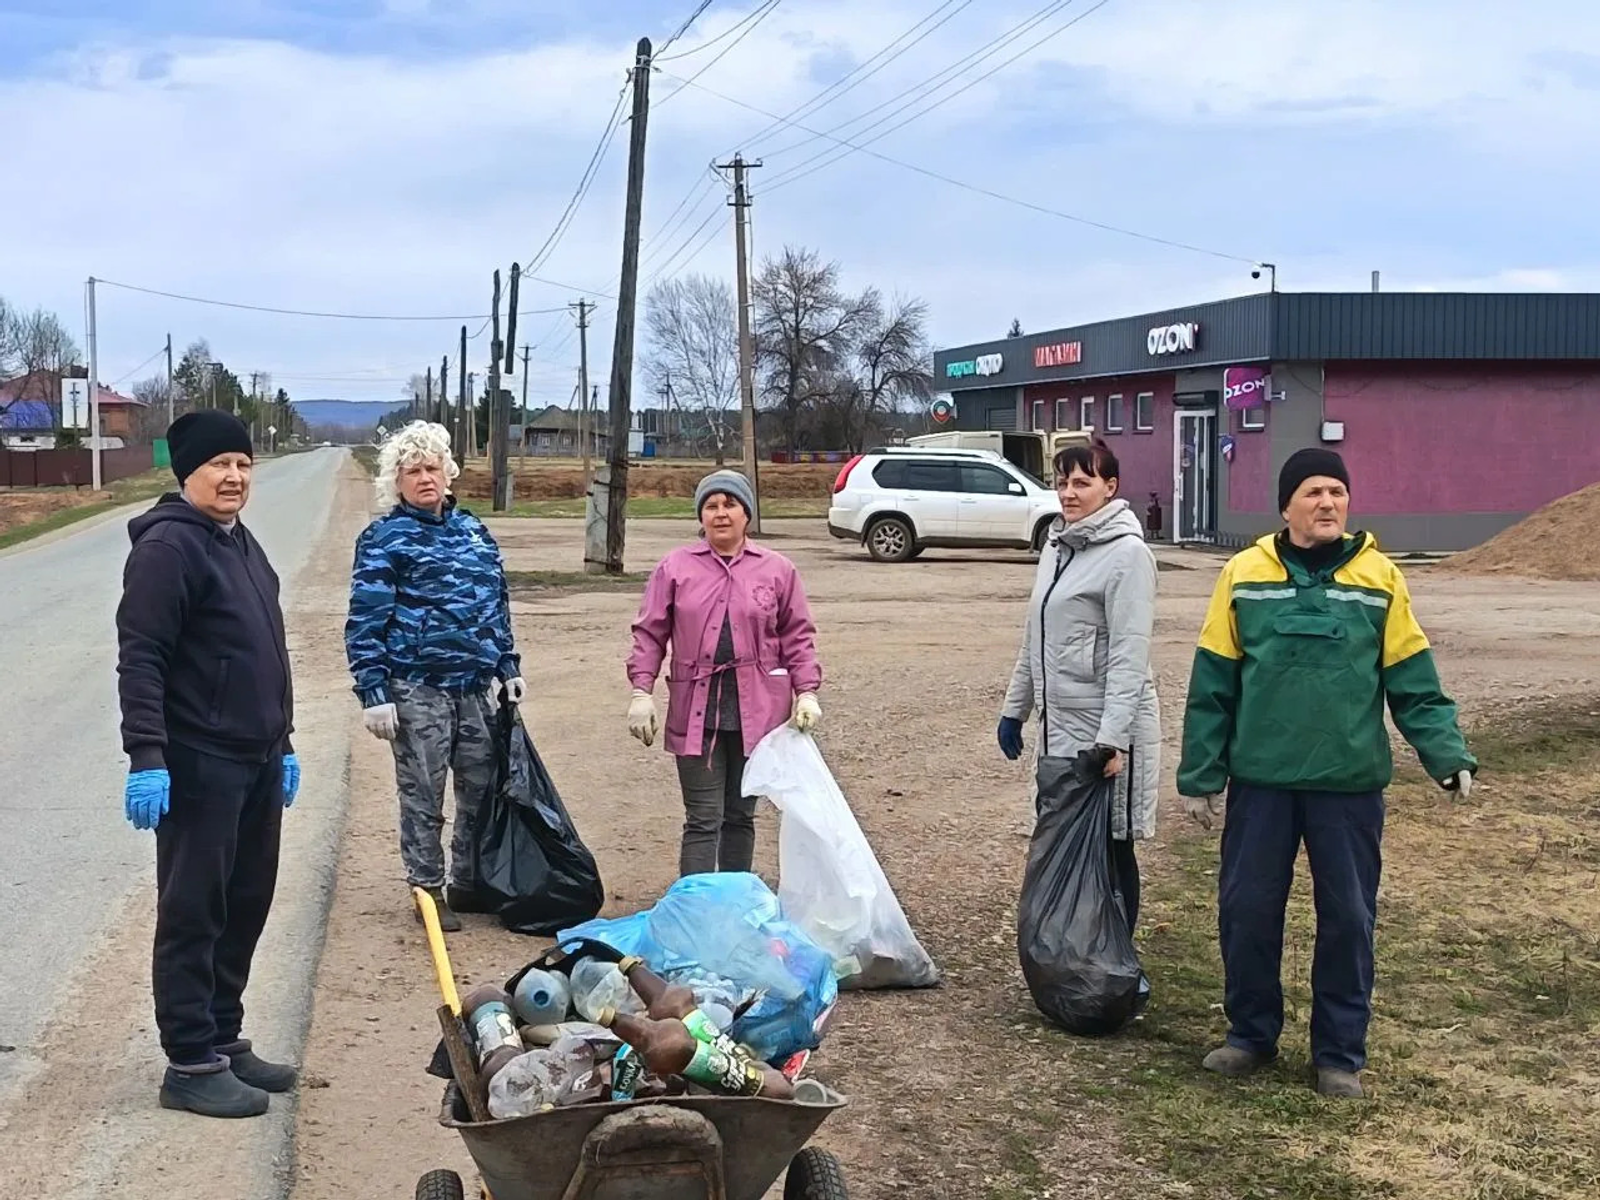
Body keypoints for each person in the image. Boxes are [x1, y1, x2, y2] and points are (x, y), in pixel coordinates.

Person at [1177, 447, 1478, 1099]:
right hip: (1262, 783)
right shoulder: (1243, 574)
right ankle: (1250, 1035)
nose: (1328, 503)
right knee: (1248, 911)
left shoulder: (1379, 578)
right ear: (1286, 506)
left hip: (1348, 786)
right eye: (1313, 492)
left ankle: (1339, 1054)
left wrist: (1446, 754)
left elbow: (1413, 681)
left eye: (1337, 492)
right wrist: (1201, 773)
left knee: (1348, 917)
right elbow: (1213, 684)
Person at [116, 410, 299, 1119]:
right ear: (186, 471)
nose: (234, 477)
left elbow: (267, 650)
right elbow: (142, 657)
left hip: (256, 759)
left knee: (245, 903)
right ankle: (190, 1061)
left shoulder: (240, 541)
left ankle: (223, 1035)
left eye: (243, 464)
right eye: (219, 464)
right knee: (195, 909)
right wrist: (147, 754)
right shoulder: (168, 548)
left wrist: (284, 741)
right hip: (200, 762)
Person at [344, 421, 525, 933]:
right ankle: (427, 889)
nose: (425, 478)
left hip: (473, 688)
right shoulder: (384, 540)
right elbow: (365, 620)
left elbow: (495, 603)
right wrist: (373, 691)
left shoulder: (474, 533)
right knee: (423, 794)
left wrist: (507, 664)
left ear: (448, 472)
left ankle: (468, 881)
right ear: (396, 481)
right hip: (416, 686)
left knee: (480, 789)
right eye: (413, 471)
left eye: (433, 467)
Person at [997, 441, 1160, 931]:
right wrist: (1016, 709)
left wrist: (1112, 741)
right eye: (1062, 482)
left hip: (1104, 733)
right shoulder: (1056, 548)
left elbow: (1130, 655)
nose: (1068, 493)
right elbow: (1036, 634)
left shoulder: (1128, 555)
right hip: (1060, 728)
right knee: (1063, 843)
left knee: (1110, 848)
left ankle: (1115, 958)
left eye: (1082, 483)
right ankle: (1072, 953)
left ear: (1110, 488)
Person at [626, 470, 822, 876]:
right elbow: (650, 633)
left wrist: (806, 692)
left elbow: (797, 635)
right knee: (703, 819)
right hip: (697, 711)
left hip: (758, 713)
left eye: (730, 505)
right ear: (700, 516)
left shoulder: (778, 570)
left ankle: (734, 902)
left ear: (746, 513)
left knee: (740, 816)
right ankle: (697, 905)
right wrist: (641, 691)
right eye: (711, 506)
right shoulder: (675, 568)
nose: (720, 513)